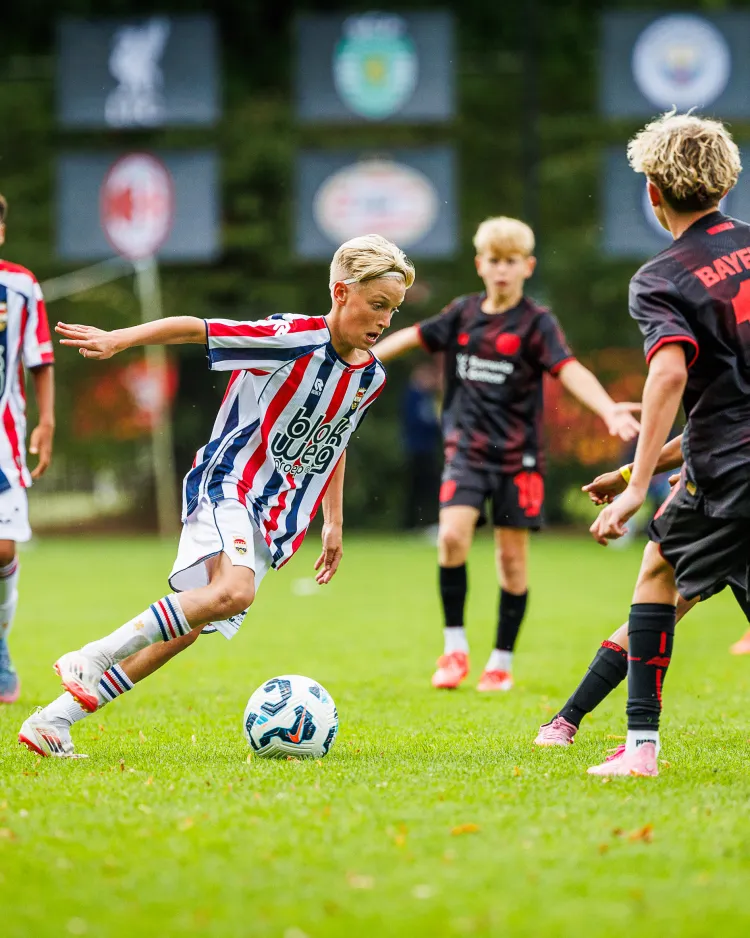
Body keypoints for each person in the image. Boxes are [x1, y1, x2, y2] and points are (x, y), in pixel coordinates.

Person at [19, 233, 413, 757]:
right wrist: (120, 339)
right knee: (235, 593)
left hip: (273, 516)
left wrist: (332, 520)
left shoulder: (371, 377)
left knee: (189, 625)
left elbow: (332, 440)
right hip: (230, 483)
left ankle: (54, 721)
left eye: (394, 309)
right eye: (378, 304)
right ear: (341, 293)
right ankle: (90, 658)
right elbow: (197, 329)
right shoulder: (290, 337)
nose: (385, 320)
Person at [374, 216, 640, 693]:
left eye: (511, 262)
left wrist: (607, 409)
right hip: (466, 453)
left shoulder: (537, 323)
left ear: (527, 266)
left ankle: (501, 659)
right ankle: (454, 649)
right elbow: (411, 336)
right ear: (480, 264)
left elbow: (569, 369)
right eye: (494, 261)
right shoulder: (462, 313)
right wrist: (360, 362)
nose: (502, 270)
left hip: (520, 459)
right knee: (452, 539)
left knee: (511, 561)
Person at [583, 111, 750, 777]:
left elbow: (670, 373)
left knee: (658, 570)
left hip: (731, 466)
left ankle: (641, 748)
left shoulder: (663, 277)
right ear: (727, 181)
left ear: (653, 191)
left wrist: (634, 486)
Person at [534, 433, 750, 747]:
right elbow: (700, 434)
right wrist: (632, 476)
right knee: (659, 610)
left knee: (658, 600)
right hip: (714, 516)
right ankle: (567, 720)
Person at [0, 194, 55, 704]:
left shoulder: (20, 286)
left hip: (4, 438)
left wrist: (48, 420)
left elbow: (39, 357)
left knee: (3, 548)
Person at [401, 361, 441, 530]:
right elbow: (418, 420)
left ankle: (421, 522)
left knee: (425, 487)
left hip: (426, 448)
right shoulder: (414, 395)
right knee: (419, 488)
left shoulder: (426, 396)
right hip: (417, 448)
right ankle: (415, 523)